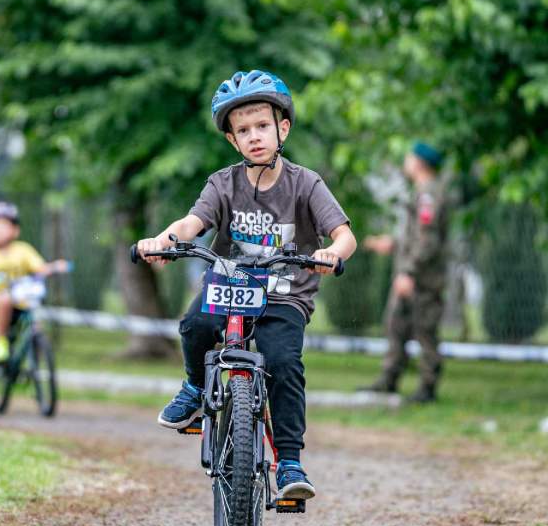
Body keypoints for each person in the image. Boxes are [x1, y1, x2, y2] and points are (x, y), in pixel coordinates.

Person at [137, 70, 356, 501]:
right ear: (232, 141)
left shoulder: (306, 183)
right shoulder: (223, 183)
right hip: (229, 285)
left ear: (283, 129)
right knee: (196, 325)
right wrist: (164, 241)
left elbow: (345, 235)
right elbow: (191, 223)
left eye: (262, 126)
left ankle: (290, 461)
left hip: (284, 295)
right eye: (243, 130)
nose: (254, 136)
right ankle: (196, 388)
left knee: (284, 363)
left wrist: (333, 254)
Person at [362, 142, 449, 403]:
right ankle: (389, 378)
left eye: (410, 157)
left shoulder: (428, 194)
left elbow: (429, 241)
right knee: (396, 326)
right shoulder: (422, 192)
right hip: (412, 275)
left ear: (420, 163)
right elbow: (417, 237)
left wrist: (409, 272)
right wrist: (393, 243)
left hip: (422, 279)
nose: (406, 161)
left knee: (424, 330)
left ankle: (428, 387)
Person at [0, 201, 67, 363]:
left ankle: (36, 345)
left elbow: (39, 268)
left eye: (3, 226)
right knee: (4, 298)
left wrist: (55, 266)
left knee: (36, 311)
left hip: (23, 301)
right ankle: (0, 341)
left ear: (15, 230)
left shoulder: (23, 250)